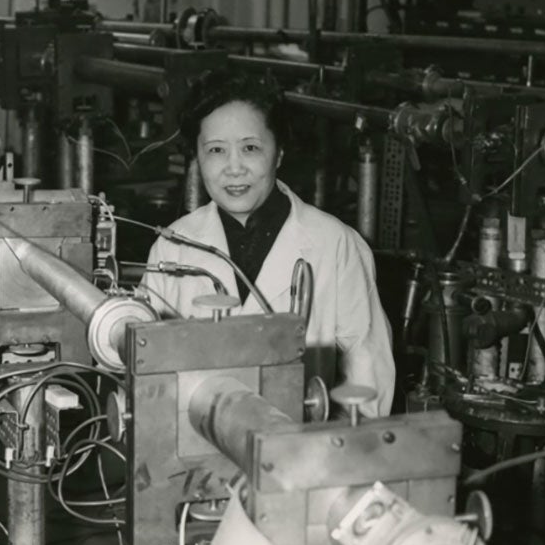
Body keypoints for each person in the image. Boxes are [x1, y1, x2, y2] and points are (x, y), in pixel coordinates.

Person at [143, 68, 395, 417]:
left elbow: (369, 378)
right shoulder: (173, 247)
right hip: (196, 452)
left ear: (278, 153)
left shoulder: (335, 245)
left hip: (302, 454)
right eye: (216, 150)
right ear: (197, 159)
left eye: (250, 148)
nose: (234, 168)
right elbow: (148, 371)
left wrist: (336, 455)